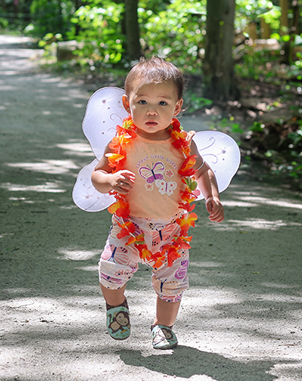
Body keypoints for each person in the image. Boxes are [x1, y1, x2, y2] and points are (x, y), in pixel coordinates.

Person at [89, 57, 224, 349]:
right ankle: (116, 307)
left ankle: (163, 326)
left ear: (177, 107)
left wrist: (211, 195)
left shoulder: (184, 143)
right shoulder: (120, 142)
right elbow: (97, 174)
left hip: (172, 230)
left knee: (172, 286)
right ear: (127, 104)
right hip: (129, 225)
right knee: (110, 272)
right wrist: (110, 181)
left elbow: (203, 170)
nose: (152, 110)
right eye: (142, 102)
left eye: (163, 103)